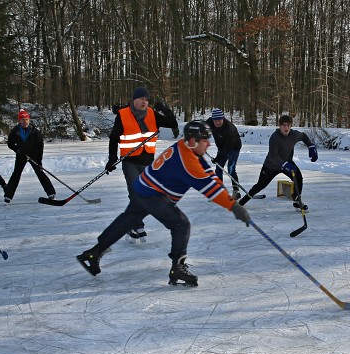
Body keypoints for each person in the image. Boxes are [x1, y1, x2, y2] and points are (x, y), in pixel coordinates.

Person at [77, 120, 250, 287]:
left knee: (128, 220)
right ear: (192, 141)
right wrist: (233, 206)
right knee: (181, 224)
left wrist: (229, 200)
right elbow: (210, 188)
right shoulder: (188, 162)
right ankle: (178, 268)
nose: (208, 145)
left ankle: (93, 253)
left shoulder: (184, 149)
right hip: (152, 194)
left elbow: (208, 174)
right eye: (204, 141)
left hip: (142, 186)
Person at [105, 87, 180, 243]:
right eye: (141, 99)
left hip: (147, 161)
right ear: (134, 100)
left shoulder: (152, 114)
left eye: (147, 99)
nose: (144, 102)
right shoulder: (123, 115)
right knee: (135, 192)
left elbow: (172, 123)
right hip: (130, 160)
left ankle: (132, 223)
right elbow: (114, 138)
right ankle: (136, 225)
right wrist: (112, 158)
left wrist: (165, 109)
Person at [239, 114, 318, 210]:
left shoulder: (294, 135)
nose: (286, 128)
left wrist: (311, 146)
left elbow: (304, 136)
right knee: (261, 185)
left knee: (298, 178)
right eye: (284, 125)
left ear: (291, 126)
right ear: (279, 126)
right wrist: (284, 165)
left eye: (288, 125)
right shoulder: (275, 137)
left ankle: (297, 200)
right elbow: (273, 156)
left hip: (287, 162)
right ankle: (245, 199)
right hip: (271, 165)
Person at [4, 109, 55, 203]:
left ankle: (51, 192)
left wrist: (39, 160)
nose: (25, 121)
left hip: (33, 155)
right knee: (16, 174)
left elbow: (40, 145)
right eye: (23, 119)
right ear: (19, 121)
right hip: (21, 155)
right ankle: (8, 195)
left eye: (27, 119)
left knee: (40, 172)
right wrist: (17, 150)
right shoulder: (15, 131)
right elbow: (10, 143)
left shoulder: (34, 131)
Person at [205, 108, 242, 199]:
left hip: (233, 147)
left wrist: (218, 157)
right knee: (218, 169)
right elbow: (201, 128)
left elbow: (227, 148)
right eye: (215, 121)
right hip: (221, 147)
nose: (218, 123)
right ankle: (220, 190)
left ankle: (236, 191)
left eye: (219, 120)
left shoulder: (229, 129)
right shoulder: (210, 122)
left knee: (231, 169)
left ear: (223, 118)